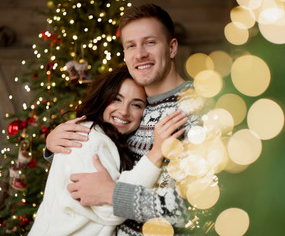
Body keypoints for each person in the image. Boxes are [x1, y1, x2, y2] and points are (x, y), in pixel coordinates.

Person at [45, 4, 205, 235]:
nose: (140, 54)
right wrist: (54, 145)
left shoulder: (198, 108)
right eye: (131, 45)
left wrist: (112, 194)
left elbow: (199, 205)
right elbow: (104, 162)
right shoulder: (132, 108)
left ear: (172, 48)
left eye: (150, 42)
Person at [31, 65, 187, 235]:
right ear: (103, 99)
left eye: (136, 105)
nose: (124, 111)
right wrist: (156, 153)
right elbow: (112, 209)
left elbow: (110, 190)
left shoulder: (111, 139)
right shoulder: (89, 138)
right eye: (117, 99)